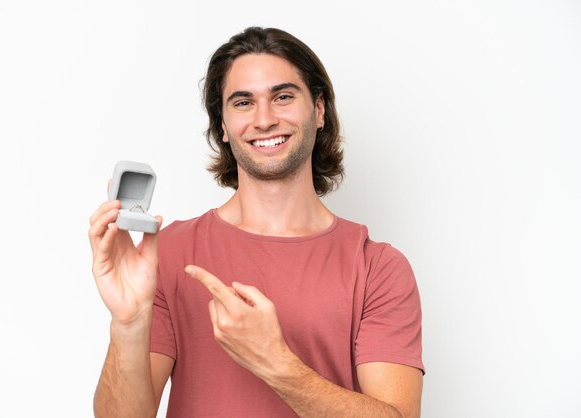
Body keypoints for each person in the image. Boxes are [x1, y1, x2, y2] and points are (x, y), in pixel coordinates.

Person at [89, 27, 424, 417]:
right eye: (243, 102)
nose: (264, 119)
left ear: (318, 110)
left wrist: (274, 362)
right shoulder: (169, 251)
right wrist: (128, 322)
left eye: (282, 97)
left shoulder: (378, 268)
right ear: (223, 127)